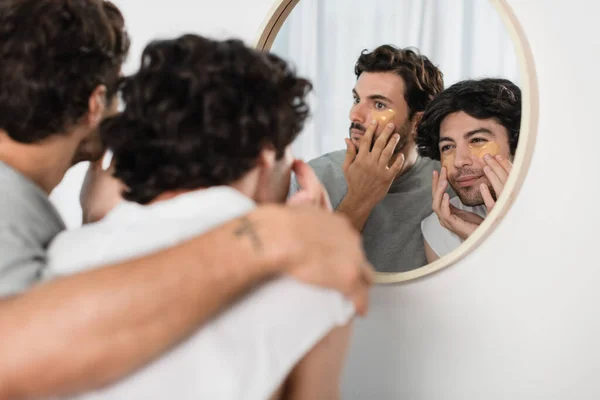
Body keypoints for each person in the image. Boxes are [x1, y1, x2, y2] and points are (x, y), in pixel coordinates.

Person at [0, 1, 372, 398]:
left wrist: (98, 226)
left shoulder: (61, 254)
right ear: (268, 155)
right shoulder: (306, 285)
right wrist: (277, 234)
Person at [291, 45, 445, 273]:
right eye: (356, 99)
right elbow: (303, 279)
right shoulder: (313, 179)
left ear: (418, 123)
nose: (354, 115)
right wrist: (358, 198)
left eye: (379, 104)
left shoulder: (446, 184)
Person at [417, 78, 522, 262]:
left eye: (477, 140)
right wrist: (480, 241)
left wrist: (507, 234)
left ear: (516, 145)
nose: (459, 161)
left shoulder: (561, 206)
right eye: (448, 147)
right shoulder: (440, 227)